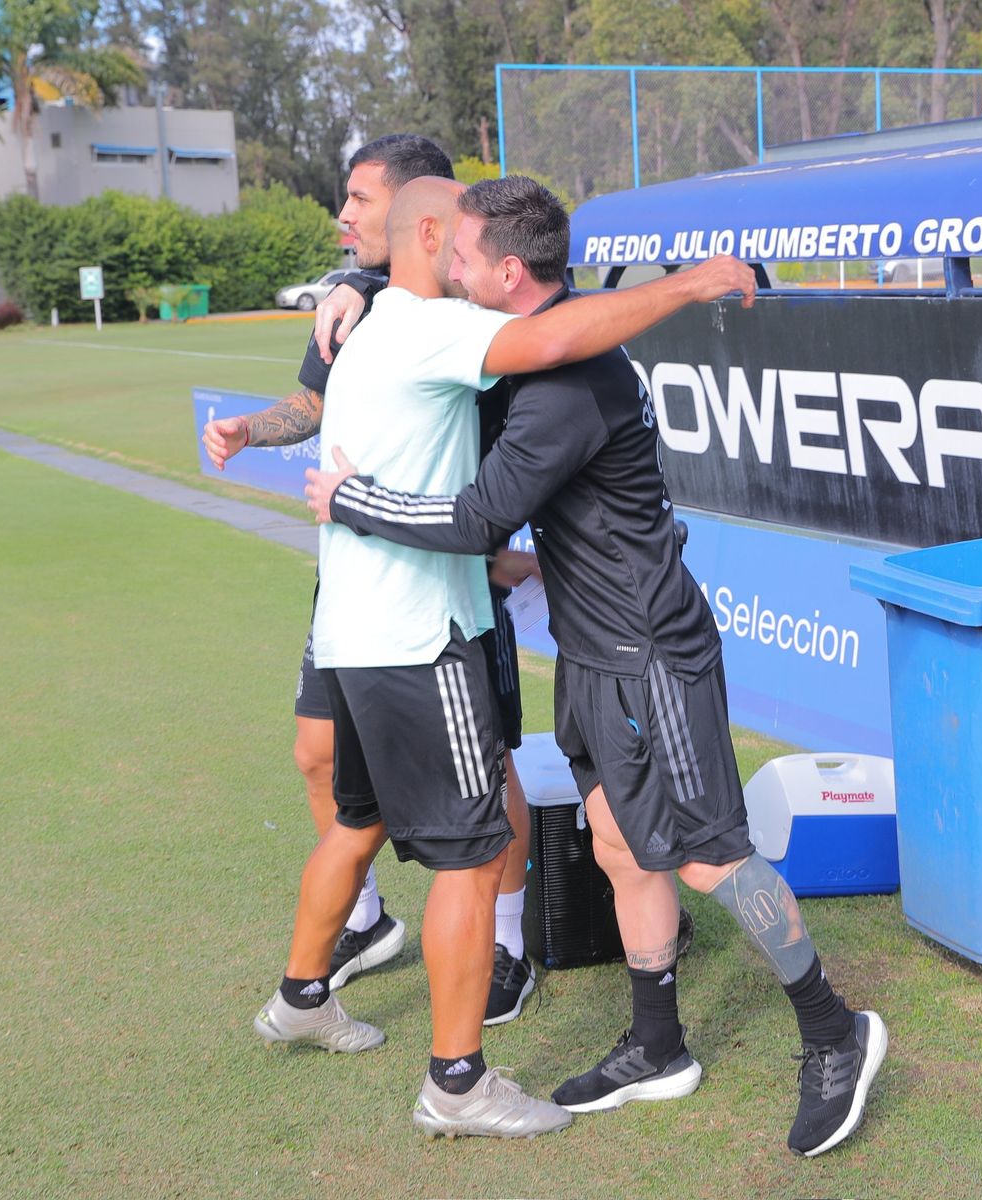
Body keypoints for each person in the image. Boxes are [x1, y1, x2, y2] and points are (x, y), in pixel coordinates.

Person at [304, 176, 887, 1158]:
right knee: (619, 844)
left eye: (463, 259)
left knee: (707, 852)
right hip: (592, 649)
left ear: (510, 273)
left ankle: (836, 1030)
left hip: (649, 650)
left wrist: (350, 499)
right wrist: (355, 286)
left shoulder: (565, 386)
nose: (449, 270)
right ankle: (658, 1045)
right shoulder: (535, 343)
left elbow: (477, 521)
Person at [202, 135, 538, 1024]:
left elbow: (547, 323)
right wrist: (249, 429)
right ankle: (360, 931)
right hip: (358, 590)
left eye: (359, 199)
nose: (344, 215)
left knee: (488, 771)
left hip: (447, 575)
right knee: (321, 760)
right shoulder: (356, 306)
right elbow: (314, 405)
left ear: (417, 212)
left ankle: (506, 946)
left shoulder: (469, 301)